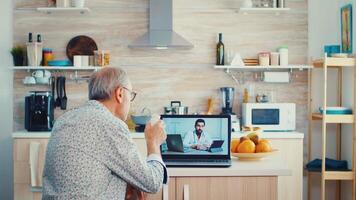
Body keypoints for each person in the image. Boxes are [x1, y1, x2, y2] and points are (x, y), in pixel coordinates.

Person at [42, 67, 168, 200]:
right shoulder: (110, 124)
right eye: (130, 95)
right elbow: (152, 182)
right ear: (119, 93)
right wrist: (153, 142)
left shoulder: (63, 120)